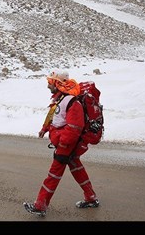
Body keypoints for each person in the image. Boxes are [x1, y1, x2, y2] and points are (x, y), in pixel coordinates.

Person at [23, 70, 99, 217]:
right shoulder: (60, 99)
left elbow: (75, 127)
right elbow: (54, 115)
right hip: (64, 144)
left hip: (66, 146)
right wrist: (44, 129)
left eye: (50, 83)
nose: (48, 86)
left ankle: (40, 205)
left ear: (58, 83)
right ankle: (91, 197)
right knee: (76, 168)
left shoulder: (72, 101)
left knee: (53, 174)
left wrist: (62, 143)